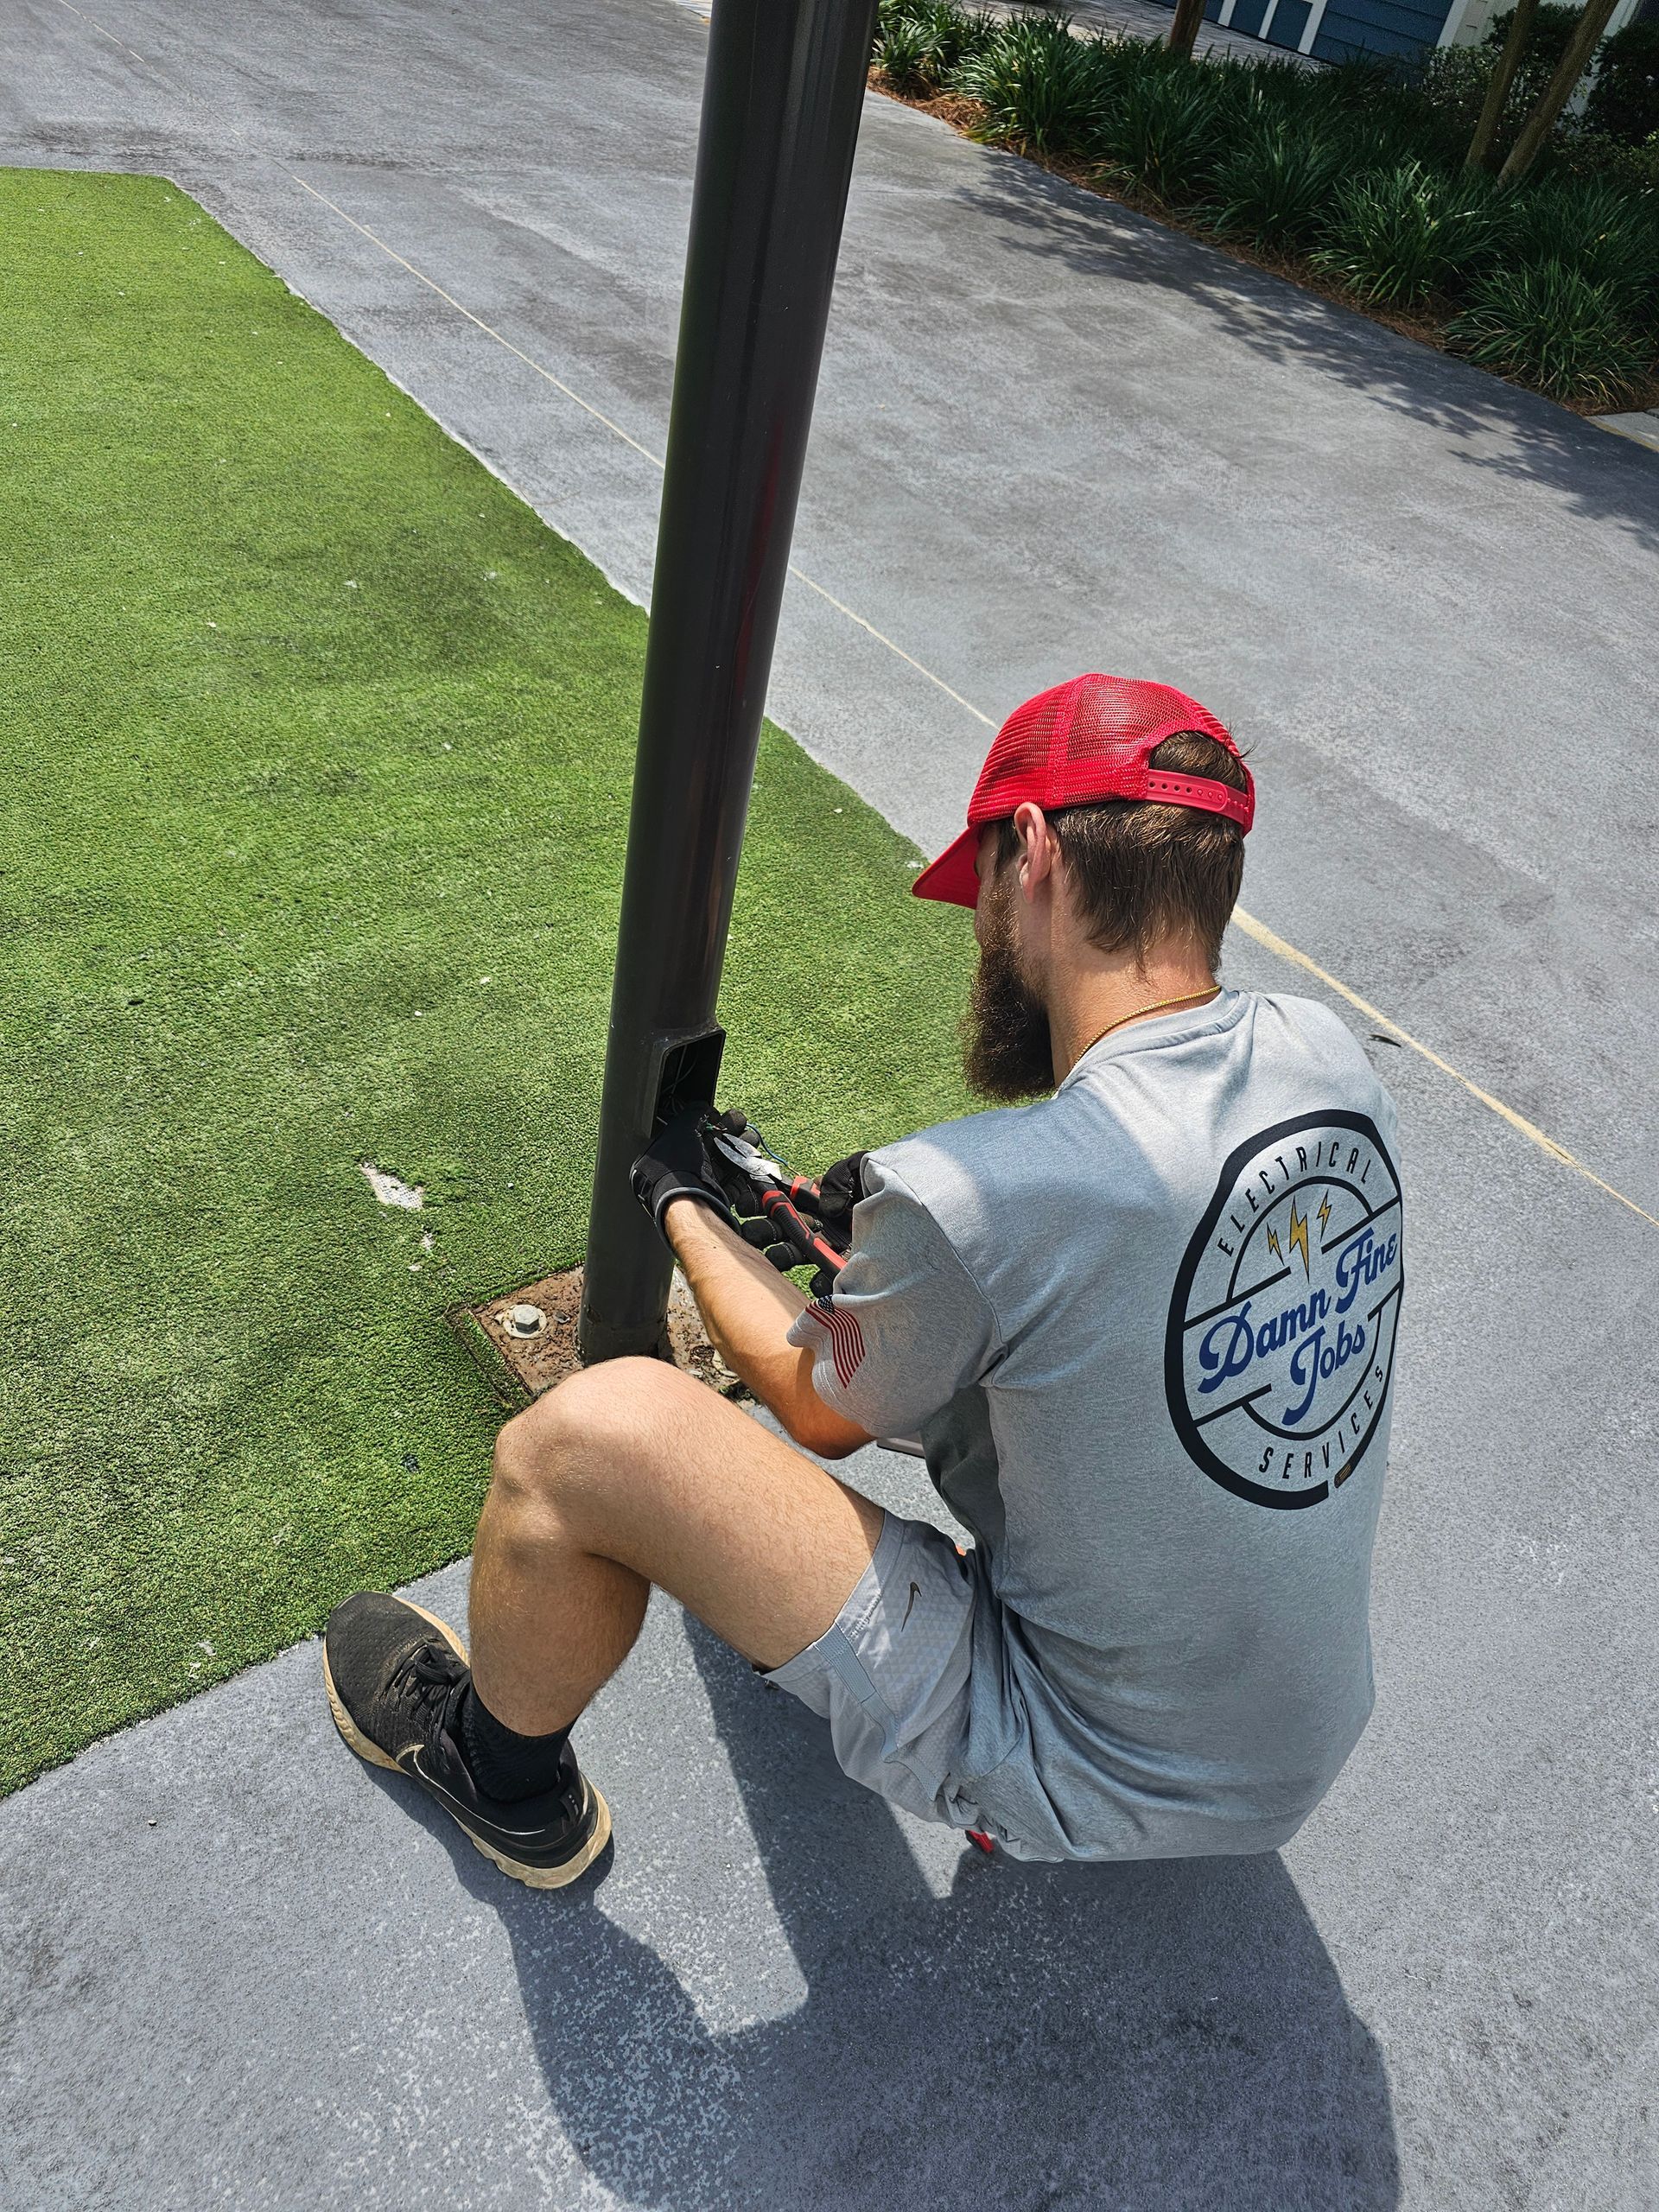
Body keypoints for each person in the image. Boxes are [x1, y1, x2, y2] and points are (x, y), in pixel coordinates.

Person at [323, 674, 1404, 1887]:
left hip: (1083, 1767)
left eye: (985, 887)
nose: (983, 922)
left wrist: (682, 1191)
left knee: (578, 1441)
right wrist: (864, 1258)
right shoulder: (1332, 1060)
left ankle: (499, 1779)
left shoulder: (989, 1192)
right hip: (1297, 1735)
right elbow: (1101, 1301)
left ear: (1034, 851)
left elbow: (821, 1406)